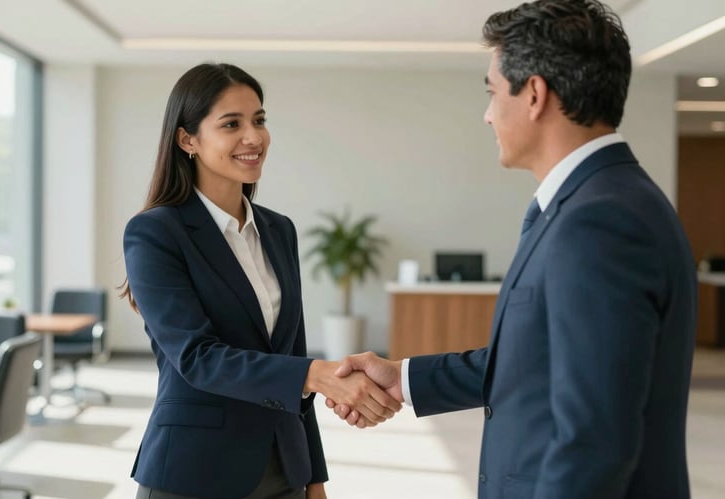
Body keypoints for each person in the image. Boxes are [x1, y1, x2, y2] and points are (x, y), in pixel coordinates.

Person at [328, 1, 698, 498]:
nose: (486, 115)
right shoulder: (595, 202)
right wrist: (404, 378)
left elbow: (594, 440)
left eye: (492, 92)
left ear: (534, 95)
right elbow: (541, 366)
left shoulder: (599, 221)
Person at [121, 62, 401, 499]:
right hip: (195, 471)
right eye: (231, 124)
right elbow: (197, 358)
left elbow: (293, 351)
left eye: (259, 120)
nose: (253, 137)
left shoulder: (278, 230)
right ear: (187, 139)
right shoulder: (156, 232)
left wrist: (315, 477)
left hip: (284, 470)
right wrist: (316, 374)